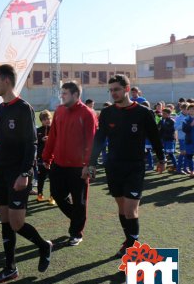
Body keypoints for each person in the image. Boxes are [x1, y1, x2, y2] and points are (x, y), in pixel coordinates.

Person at [87, 75, 165, 258]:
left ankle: (132, 249)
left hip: (135, 167)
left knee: (130, 210)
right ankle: (129, 241)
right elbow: (99, 140)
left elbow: (154, 137)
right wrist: (91, 163)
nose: (114, 93)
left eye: (117, 89)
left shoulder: (144, 113)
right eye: (111, 90)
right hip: (113, 167)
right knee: (122, 209)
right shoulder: (107, 113)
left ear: (127, 89)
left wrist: (161, 159)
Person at [0, 64, 52, 284]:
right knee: (5, 220)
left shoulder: (24, 108)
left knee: (16, 223)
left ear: (6, 81)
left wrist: (25, 173)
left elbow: (31, 144)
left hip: (18, 173)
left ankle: (44, 245)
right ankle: (10, 268)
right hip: (0, 172)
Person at [42, 82, 97, 246]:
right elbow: (53, 136)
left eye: (65, 93)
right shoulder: (59, 110)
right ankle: (78, 217)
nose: (62, 96)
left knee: (79, 201)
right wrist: (46, 157)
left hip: (79, 167)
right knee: (57, 195)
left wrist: (88, 165)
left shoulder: (87, 113)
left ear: (75, 95)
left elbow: (92, 141)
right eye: (62, 93)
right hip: (58, 164)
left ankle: (76, 232)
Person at [35, 110, 54, 204]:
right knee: (41, 178)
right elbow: (35, 144)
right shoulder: (38, 131)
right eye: (45, 119)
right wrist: (41, 140)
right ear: (41, 121)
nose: (47, 121)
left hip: (53, 159)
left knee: (53, 178)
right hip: (41, 159)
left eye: (49, 118)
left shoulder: (55, 130)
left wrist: (51, 140)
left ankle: (52, 196)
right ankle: (40, 194)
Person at [158, 108, 178, 173]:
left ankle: (176, 166)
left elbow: (171, 130)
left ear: (169, 114)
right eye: (162, 113)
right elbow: (159, 129)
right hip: (163, 139)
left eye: (164, 114)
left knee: (170, 153)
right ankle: (162, 166)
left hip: (169, 139)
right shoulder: (161, 120)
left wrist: (163, 126)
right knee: (162, 153)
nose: (163, 115)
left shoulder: (172, 121)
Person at [182, 103, 194, 177]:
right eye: (190, 109)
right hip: (189, 141)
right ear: (188, 111)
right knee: (189, 156)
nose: (192, 110)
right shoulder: (186, 119)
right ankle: (192, 171)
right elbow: (184, 130)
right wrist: (190, 125)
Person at [174, 102, 189, 174]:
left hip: (190, 138)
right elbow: (175, 127)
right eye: (185, 109)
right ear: (181, 109)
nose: (186, 110)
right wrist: (183, 124)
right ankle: (179, 168)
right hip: (182, 138)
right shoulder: (178, 117)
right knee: (183, 153)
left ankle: (186, 168)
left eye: (187, 109)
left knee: (188, 153)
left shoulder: (191, 116)